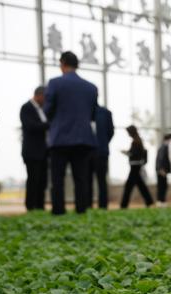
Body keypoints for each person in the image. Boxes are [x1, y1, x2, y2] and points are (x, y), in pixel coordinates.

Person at [44, 51, 98, 215]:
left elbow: (47, 110)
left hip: (60, 137)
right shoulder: (91, 87)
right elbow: (93, 114)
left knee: (58, 178)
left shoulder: (55, 83)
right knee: (81, 177)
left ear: (62, 63)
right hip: (83, 138)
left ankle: (58, 210)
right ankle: (81, 209)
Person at [20, 86, 50, 211]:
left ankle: (40, 206)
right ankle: (30, 206)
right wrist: (49, 125)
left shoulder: (43, 110)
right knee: (33, 179)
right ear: (39, 95)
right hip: (32, 151)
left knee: (43, 180)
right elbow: (31, 126)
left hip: (44, 151)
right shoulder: (26, 108)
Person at [120, 125, 154, 209]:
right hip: (136, 166)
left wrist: (127, 153)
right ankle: (149, 201)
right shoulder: (137, 141)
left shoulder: (136, 142)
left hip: (135, 167)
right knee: (141, 185)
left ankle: (124, 205)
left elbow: (134, 154)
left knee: (129, 186)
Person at [89, 104, 114, 209]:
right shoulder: (82, 111)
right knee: (86, 180)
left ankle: (103, 206)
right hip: (86, 152)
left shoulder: (105, 113)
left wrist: (102, 143)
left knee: (102, 181)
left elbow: (110, 132)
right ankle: (87, 205)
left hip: (101, 152)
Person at [155, 133, 171, 206]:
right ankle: (161, 201)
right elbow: (161, 159)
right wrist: (161, 169)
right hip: (162, 170)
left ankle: (162, 200)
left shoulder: (163, 147)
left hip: (162, 169)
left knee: (163, 185)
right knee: (162, 186)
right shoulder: (164, 147)